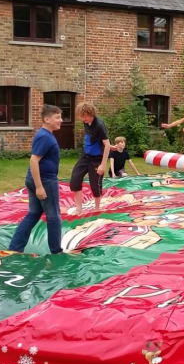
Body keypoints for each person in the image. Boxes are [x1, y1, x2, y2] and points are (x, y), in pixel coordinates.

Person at [8, 105, 64, 254]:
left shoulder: (45, 135)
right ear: (47, 119)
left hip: (37, 179)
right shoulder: (45, 136)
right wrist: (39, 186)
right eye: (57, 117)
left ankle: (15, 248)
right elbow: (34, 160)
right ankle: (56, 251)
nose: (61, 120)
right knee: (54, 216)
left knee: (33, 213)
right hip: (44, 181)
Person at [69, 102, 110, 215]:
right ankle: (79, 209)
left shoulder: (99, 125)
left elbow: (106, 144)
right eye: (81, 117)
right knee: (75, 180)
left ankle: (97, 208)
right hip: (85, 156)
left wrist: (102, 165)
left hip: (96, 159)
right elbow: (95, 140)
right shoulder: (86, 122)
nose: (83, 119)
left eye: (84, 116)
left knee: (95, 184)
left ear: (91, 113)